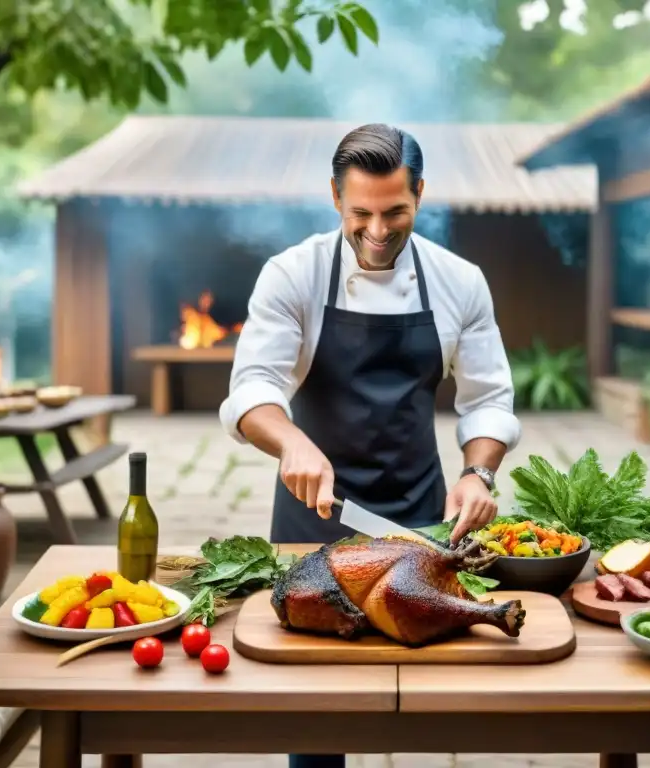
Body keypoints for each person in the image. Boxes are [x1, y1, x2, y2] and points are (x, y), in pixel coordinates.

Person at [219, 123, 521, 768]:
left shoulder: (459, 280)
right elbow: (252, 388)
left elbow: (489, 398)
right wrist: (291, 442)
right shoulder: (293, 274)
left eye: (396, 212)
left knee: (431, 699)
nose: (378, 230)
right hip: (313, 518)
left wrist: (479, 474)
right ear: (335, 198)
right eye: (361, 213)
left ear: (420, 195)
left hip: (417, 513)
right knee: (316, 712)